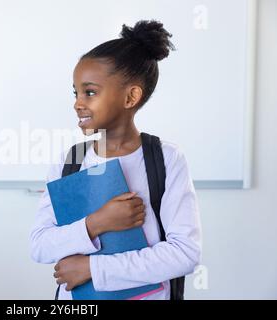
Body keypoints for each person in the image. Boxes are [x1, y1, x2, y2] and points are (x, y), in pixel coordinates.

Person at [30, 20, 202, 300]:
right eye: (76, 92)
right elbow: (40, 246)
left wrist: (93, 268)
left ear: (131, 96)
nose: (78, 102)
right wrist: (97, 222)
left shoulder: (165, 159)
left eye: (90, 92)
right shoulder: (69, 161)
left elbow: (185, 253)